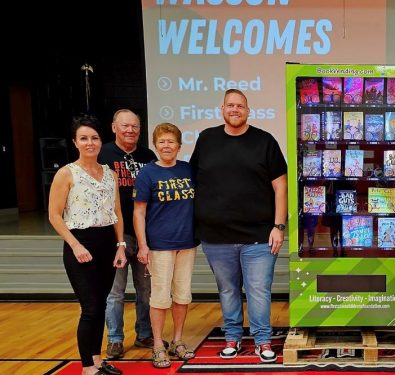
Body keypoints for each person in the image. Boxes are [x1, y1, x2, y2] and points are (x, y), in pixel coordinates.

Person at [190, 89, 288, 362]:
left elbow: (281, 186)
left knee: (258, 290)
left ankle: (263, 341)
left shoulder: (264, 141)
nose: (235, 110)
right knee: (228, 290)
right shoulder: (206, 139)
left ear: (248, 110)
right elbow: (195, 181)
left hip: (259, 236)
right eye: (230, 105)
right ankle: (232, 337)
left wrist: (278, 226)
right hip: (216, 237)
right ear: (222, 109)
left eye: (240, 106)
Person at [48, 115, 128, 375]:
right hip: (80, 243)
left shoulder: (110, 174)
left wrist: (120, 245)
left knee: (102, 305)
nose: (90, 142)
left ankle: (96, 360)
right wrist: (74, 245)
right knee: (90, 307)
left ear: (100, 141)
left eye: (94, 138)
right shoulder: (66, 173)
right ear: (75, 142)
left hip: (107, 242)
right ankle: (86, 368)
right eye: (84, 138)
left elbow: (116, 211)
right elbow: (54, 215)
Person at [133, 123, 199, 368]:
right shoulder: (147, 173)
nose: (167, 146)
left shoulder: (188, 170)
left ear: (180, 146)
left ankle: (178, 341)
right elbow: (139, 213)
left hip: (187, 243)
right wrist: (142, 245)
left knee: (182, 296)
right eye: (162, 142)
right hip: (159, 245)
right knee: (160, 298)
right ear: (155, 145)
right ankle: (158, 344)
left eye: (171, 141)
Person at [99, 109, 160, 358]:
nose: (130, 130)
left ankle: (144, 334)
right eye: (125, 126)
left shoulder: (148, 156)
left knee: (146, 290)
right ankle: (114, 339)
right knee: (115, 292)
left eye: (135, 126)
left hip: (145, 234)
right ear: (114, 127)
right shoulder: (102, 154)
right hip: (115, 235)